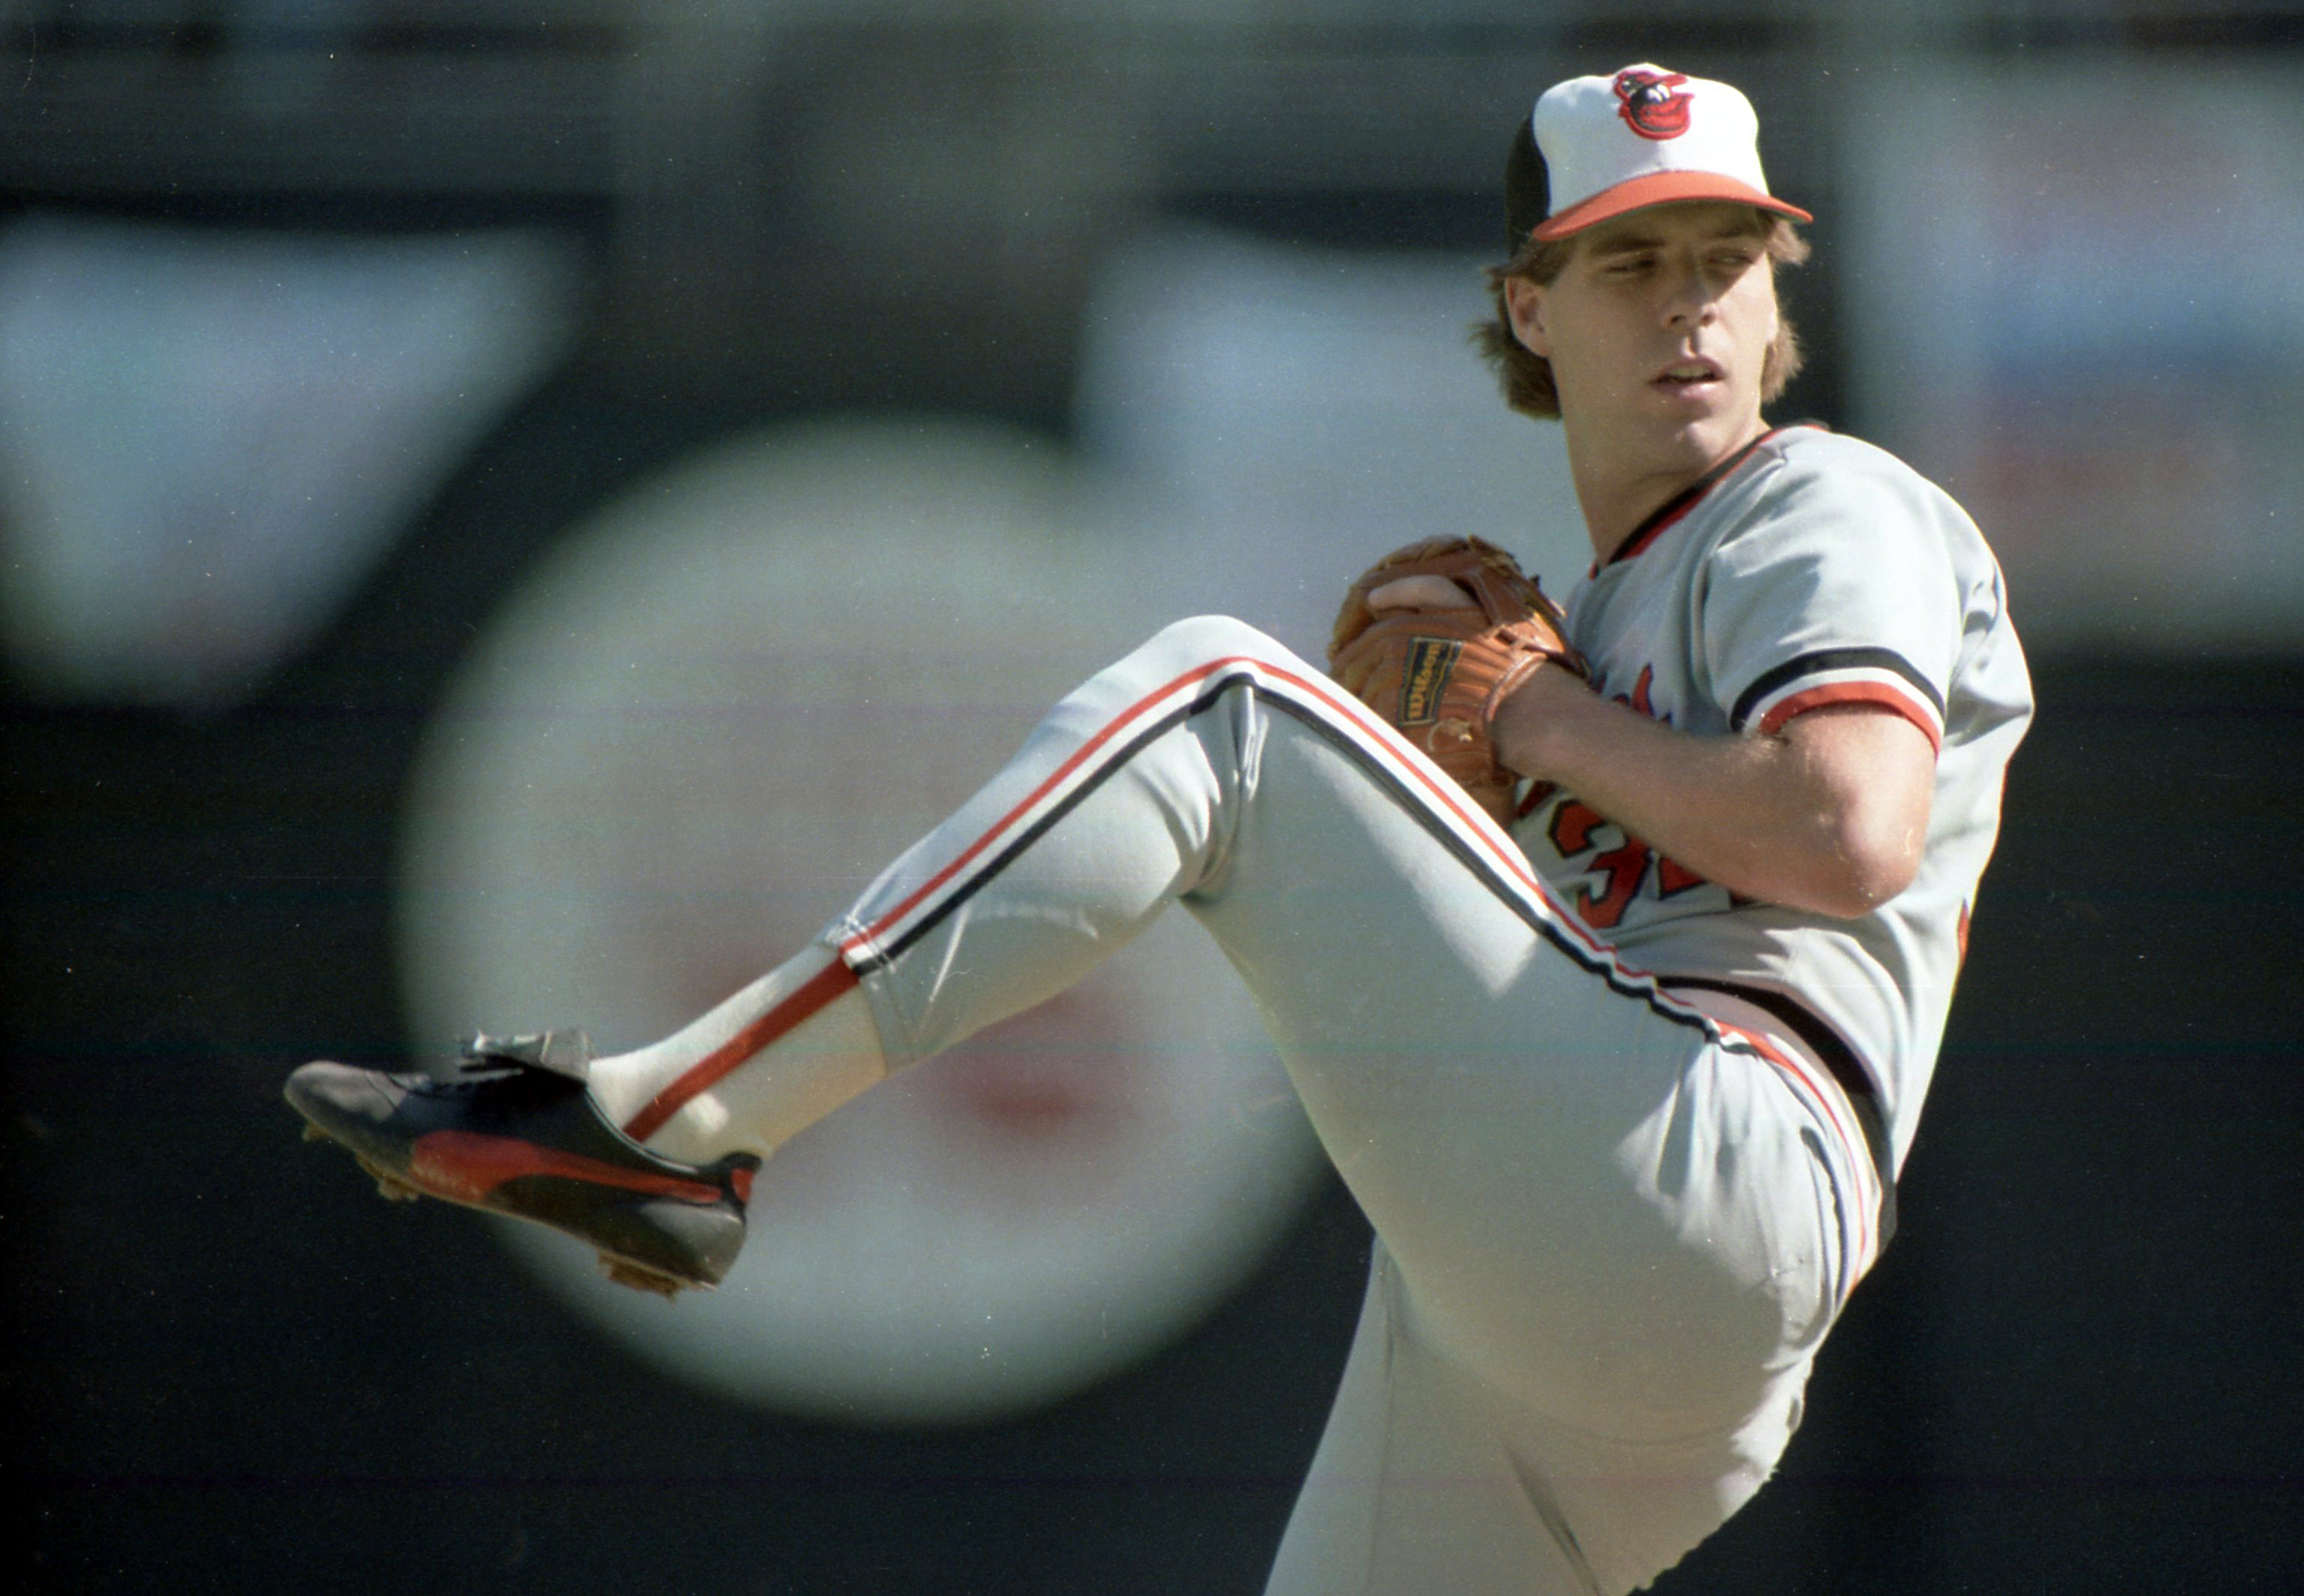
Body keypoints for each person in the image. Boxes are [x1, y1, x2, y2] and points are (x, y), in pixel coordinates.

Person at [288, 63, 2030, 1594]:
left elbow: (1844, 822)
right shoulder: (1604, 600)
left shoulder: (1822, 499)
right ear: (1528, 309)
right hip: (1579, 1320)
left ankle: (673, 1122)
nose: (1688, 307)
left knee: (1222, 702)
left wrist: (1529, 724)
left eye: (1728, 259)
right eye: (1631, 262)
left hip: (1724, 1162)